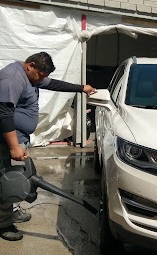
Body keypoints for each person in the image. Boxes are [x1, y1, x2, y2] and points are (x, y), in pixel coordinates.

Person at [0, 52, 96, 241]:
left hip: (20, 138)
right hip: (6, 141)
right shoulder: (12, 78)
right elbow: (3, 113)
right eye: (41, 75)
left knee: (18, 177)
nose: (43, 79)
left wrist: (81, 88)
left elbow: (53, 84)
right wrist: (13, 147)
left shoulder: (31, 76)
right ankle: (3, 224)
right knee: (9, 180)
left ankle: (10, 212)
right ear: (31, 65)